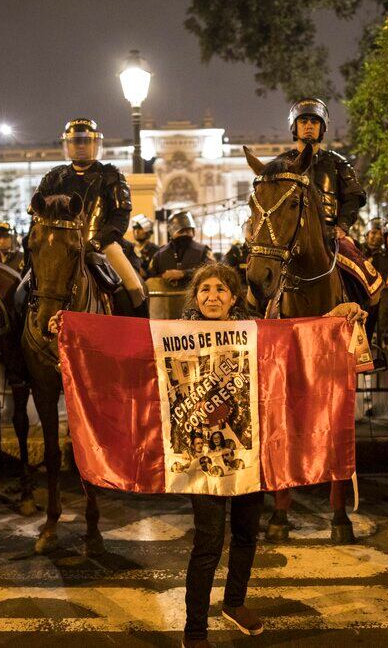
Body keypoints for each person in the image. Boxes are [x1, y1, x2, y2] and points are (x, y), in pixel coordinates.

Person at [47, 262, 363, 647]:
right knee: (209, 541)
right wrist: (70, 330)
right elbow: (120, 346)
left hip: (249, 454)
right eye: (205, 290)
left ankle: (234, 603)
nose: (213, 296)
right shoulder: (172, 334)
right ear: (195, 297)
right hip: (200, 461)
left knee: (247, 533)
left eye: (221, 290)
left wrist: (338, 316)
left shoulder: (256, 333)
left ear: (233, 297)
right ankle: (195, 628)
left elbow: (298, 338)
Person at [31, 118, 148, 317]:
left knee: (135, 290)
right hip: (59, 245)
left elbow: (120, 218)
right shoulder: (53, 177)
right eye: (76, 141)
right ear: (68, 144)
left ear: (95, 144)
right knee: (20, 291)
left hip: (103, 245)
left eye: (86, 141)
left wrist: (95, 243)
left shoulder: (112, 175)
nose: (82, 146)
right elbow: (36, 212)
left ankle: (141, 335)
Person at [271, 98, 381, 305]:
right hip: (289, 237)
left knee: (369, 284)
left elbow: (353, 197)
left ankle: (362, 327)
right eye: (304, 121)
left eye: (315, 122)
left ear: (322, 128)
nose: (309, 126)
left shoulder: (338, 163)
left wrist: (343, 226)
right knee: (260, 279)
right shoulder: (280, 164)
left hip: (331, 236)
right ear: (295, 127)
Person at [147, 211, 213, 289]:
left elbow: (211, 271)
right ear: (172, 233)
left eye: (188, 231)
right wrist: (163, 276)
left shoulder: (203, 251)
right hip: (167, 298)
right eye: (181, 231)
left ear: (193, 232)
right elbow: (150, 276)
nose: (185, 234)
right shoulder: (160, 254)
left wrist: (184, 274)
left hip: (195, 297)